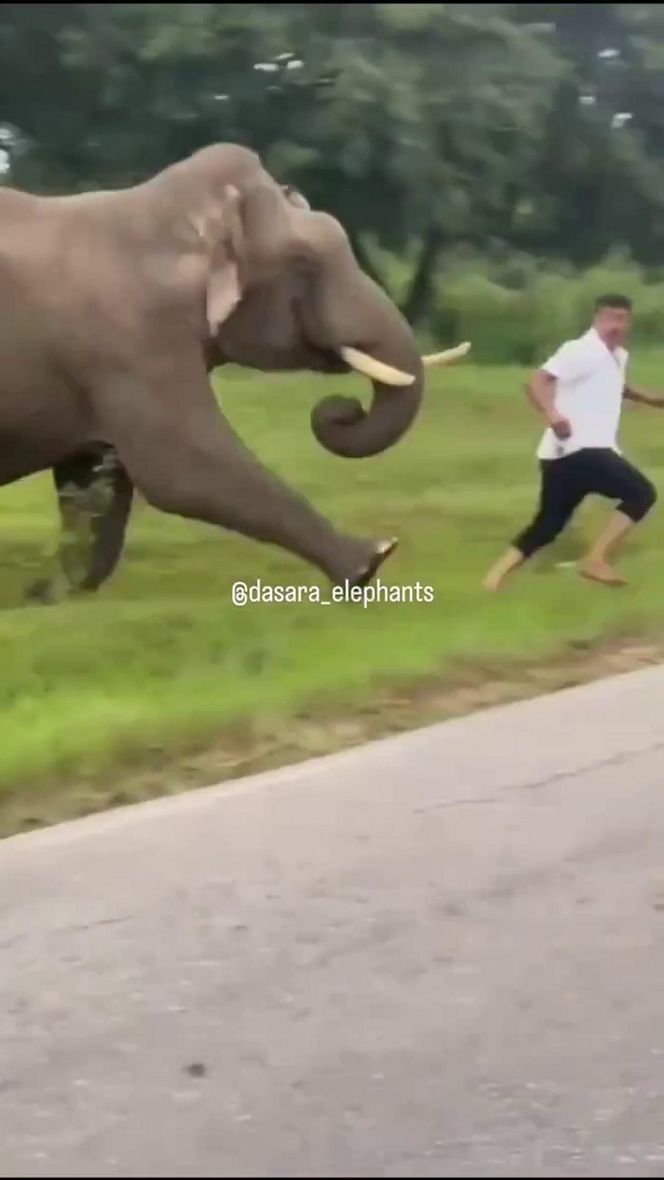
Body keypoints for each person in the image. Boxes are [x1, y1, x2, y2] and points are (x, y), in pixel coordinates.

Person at [484, 294, 664, 591]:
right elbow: (537, 381)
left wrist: (649, 398)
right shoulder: (581, 349)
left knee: (549, 525)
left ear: (629, 322)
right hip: (582, 448)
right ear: (597, 318)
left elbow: (616, 385)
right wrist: (553, 414)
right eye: (610, 318)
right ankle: (594, 559)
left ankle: (492, 581)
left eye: (622, 319)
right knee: (642, 494)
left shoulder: (617, 356)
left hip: (561, 455)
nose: (615, 325)